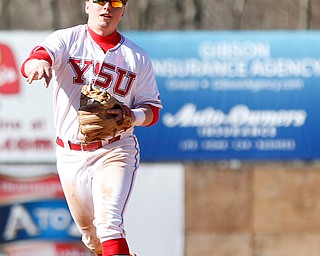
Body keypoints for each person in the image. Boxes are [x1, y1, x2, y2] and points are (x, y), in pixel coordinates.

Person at [20, 0, 162, 255]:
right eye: (99, 0)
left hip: (115, 149)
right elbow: (38, 56)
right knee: (92, 237)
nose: (107, 7)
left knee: (109, 224)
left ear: (123, 10)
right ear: (87, 5)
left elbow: (153, 110)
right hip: (70, 154)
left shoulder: (136, 56)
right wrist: (37, 64)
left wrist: (132, 116)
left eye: (116, 2)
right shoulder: (68, 39)